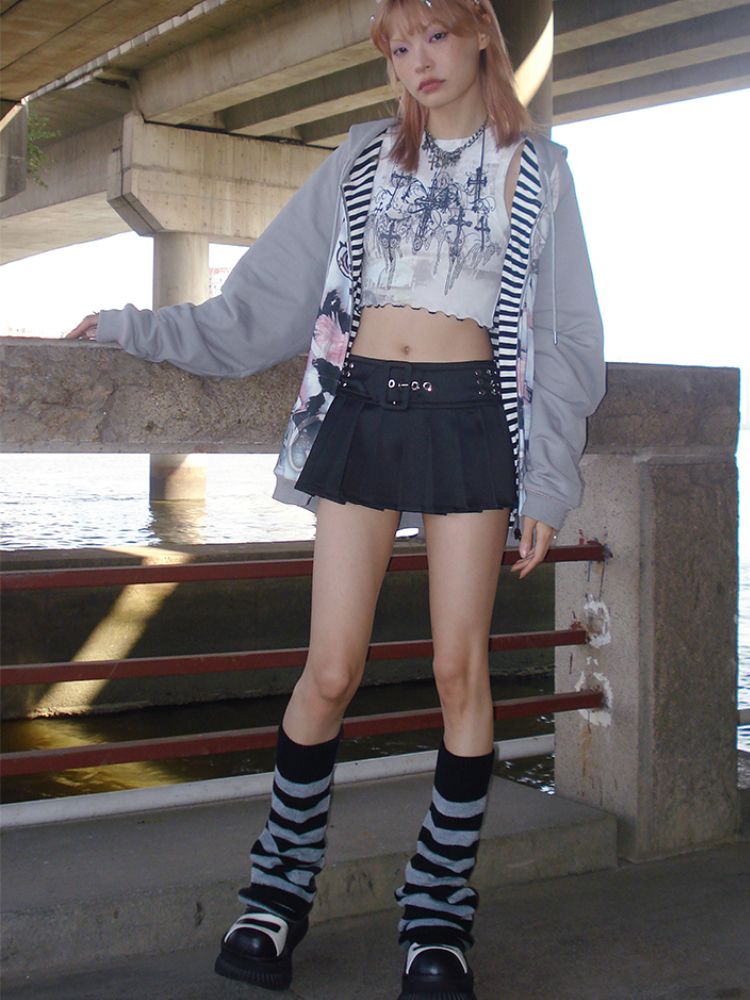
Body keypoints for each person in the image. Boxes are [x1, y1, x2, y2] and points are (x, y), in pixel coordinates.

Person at [68, 1, 605, 996]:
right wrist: (137, 329)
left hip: (471, 421)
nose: (417, 61)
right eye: (399, 46)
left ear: (481, 34)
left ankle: (437, 918)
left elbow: (571, 340)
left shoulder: (538, 169)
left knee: (459, 671)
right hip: (358, 409)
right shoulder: (361, 158)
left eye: (434, 35)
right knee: (329, 668)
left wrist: (549, 476)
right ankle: (275, 898)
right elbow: (257, 310)